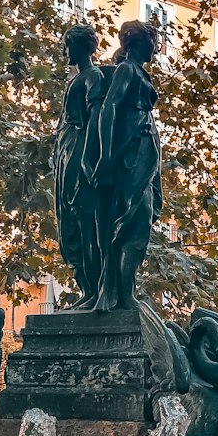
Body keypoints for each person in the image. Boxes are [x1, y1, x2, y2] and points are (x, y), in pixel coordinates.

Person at [85, 19, 162, 311]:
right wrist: (105, 158)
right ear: (138, 43)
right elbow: (109, 109)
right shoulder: (127, 70)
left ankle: (124, 290)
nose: (156, 46)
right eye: (152, 40)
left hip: (144, 154)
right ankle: (122, 293)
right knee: (132, 223)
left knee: (137, 223)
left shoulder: (139, 73)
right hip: (129, 155)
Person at [53, 24, 108, 309]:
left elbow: (97, 118)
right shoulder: (76, 79)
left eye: (67, 45)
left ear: (81, 46)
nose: (64, 51)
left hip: (78, 150)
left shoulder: (93, 76)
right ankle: (86, 289)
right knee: (69, 223)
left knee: (85, 223)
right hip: (65, 152)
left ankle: (93, 290)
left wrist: (89, 159)